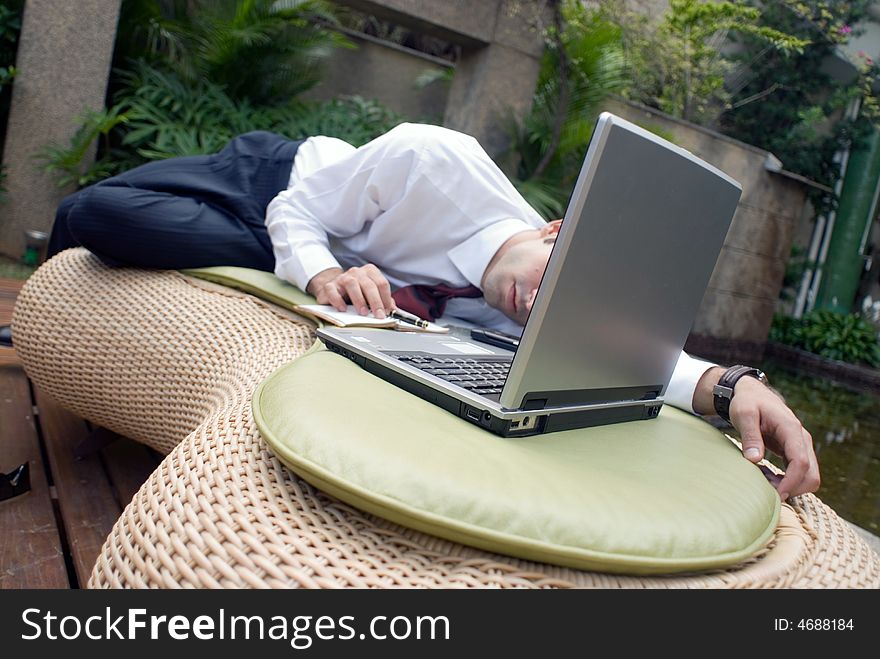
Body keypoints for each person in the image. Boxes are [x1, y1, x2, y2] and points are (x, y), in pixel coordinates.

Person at [19, 122, 818, 501]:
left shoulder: (530, 313)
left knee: (126, 226)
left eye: (557, 307)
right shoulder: (436, 161)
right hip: (278, 187)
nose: (535, 304)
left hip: (266, 248)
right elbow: (298, 210)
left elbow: (638, 355)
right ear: (550, 228)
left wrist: (736, 386)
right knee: (97, 213)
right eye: (552, 275)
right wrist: (327, 269)